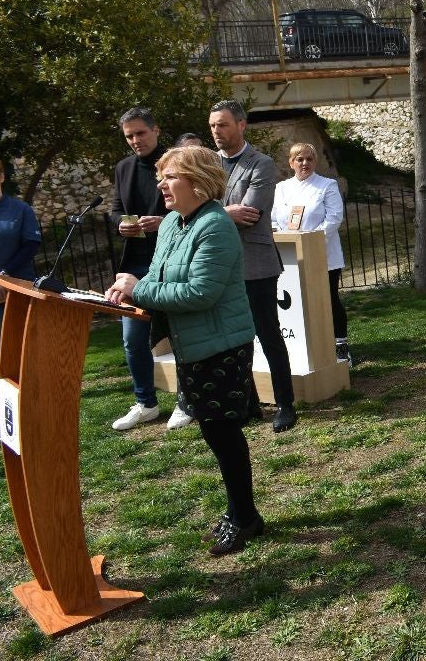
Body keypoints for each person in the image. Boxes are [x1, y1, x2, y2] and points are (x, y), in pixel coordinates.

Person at [104, 146, 265, 552]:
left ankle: (245, 518)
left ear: (197, 181)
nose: (161, 184)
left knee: (223, 434)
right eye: (161, 176)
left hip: (221, 346)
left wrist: (138, 288)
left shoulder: (215, 225)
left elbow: (200, 292)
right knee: (216, 433)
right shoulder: (175, 222)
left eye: (170, 176)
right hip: (193, 344)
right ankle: (240, 512)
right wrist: (130, 290)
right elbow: (158, 278)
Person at [209, 100, 297, 432]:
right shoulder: (207, 164)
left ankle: (285, 404)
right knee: (233, 339)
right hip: (220, 265)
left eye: (223, 124)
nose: (217, 131)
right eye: (213, 126)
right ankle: (248, 404)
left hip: (256, 265)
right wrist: (224, 212)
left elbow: (250, 214)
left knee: (268, 335)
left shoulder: (260, 163)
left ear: (241, 125)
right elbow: (194, 207)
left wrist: (215, 212)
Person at [109, 108, 182, 431]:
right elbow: (115, 210)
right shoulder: (123, 168)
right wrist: (120, 225)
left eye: (140, 133)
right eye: (129, 136)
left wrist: (164, 222)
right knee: (133, 340)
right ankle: (146, 402)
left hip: (171, 263)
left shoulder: (175, 163)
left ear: (156, 130)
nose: (135, 140)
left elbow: (195, 209)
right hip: (135, 263)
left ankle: (187, 401)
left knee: (181, 336)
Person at [272, 142, 351, 365]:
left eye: (309, 159)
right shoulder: (282, 188)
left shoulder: (327, 185)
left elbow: (334, 218)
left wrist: (310, 240)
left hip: (323, 254)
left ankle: (340, 345)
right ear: (291, 163)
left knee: (329, 299)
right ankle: (308, 345)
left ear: (315, 162)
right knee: (299, 301)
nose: (304, 163)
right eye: (299, 159)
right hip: (290, 256)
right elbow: (275, 217)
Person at [0, 155, 41, 416]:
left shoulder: (21, 210)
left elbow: (30, 244)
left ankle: (31, 390)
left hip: (18, 286)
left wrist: (4, 276)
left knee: (24, 343)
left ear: (1, 177)